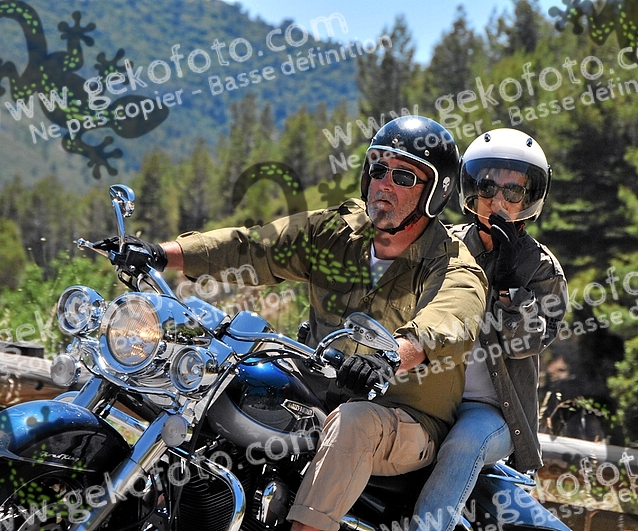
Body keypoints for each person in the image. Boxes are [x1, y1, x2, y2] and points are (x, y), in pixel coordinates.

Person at [112, 116, 488, 531]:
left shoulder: (453, 265)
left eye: (403, 177)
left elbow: (446, 324)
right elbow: (253, 247)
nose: (385, 184)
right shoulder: (335, 233)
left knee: (353, 424)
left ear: (435, 193)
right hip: (322, 390)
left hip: (405, 420)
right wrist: (161, 254)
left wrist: (388, 358)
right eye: (378, 169)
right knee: (228, 379)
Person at [410, 128, 568, 531]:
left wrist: (511, 290)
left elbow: (525, 344)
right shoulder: (443, 246)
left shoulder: (541, 268)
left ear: (530, 197)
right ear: (471, 190)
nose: (498, 201)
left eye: (513, 191)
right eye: (487, 187)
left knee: (464, 443)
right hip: (430, 395)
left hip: (493, 412)